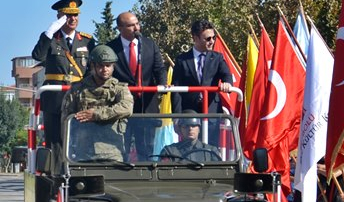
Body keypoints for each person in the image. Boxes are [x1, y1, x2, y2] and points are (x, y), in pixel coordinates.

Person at [33, 0, 93, 153]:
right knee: (54, 140)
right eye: (68, 15)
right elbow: (38, 56)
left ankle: (76, 174)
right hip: (55, 97)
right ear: (59, 17)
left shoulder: (87, 41)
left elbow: (93, 68)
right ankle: (56, 174)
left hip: (78, 96)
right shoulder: (50, 38)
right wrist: (49, 32)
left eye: (75, 15)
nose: (72, 19)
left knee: (79, 138)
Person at [105, 12, 167, 160]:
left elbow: (159, 69)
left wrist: (162, 85)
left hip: (146, 106)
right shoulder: (111, 48)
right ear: (120, 28)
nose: (136, 28)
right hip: (121, 106)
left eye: (137, 23)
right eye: (131, 25)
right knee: (122, 149)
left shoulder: (149, 44)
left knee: (146, 150)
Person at [60, 44, 133, 162]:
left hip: (112, 151)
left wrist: (96, 115)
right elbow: (65, 121)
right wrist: (68, 150)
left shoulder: (120, 89)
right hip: (83, 152)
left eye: (108, 65)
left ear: (113, 67)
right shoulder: (77, 89)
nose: (105, 69)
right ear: (93, 66)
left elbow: (126, 108)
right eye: (100, 65)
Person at [172, 19, 234, 119]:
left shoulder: (217, 58)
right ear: (196, 38)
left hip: (212, 112)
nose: (212, 41)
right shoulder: (182, 60)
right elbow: (176, 91)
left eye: (214, 37)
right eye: (208, 39)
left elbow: (226, 75)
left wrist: (227, 83)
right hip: (189, 114)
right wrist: (176, 118)